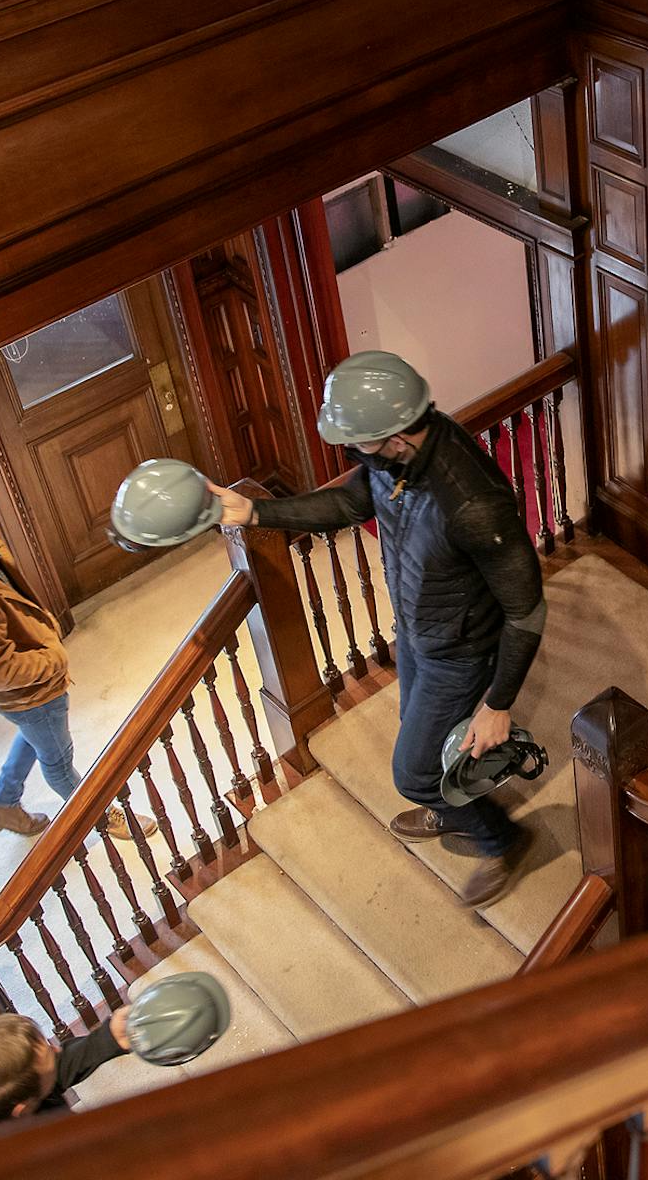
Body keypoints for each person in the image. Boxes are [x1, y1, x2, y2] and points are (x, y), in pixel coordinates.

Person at [211, 351, 544, 906]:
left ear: (394, 435)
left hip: (462, 650)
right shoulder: (398, 459)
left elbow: (527, 611)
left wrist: (497, 703)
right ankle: (448, 805)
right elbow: (350, 501)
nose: (351, 453)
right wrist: (254, 513)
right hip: (420, 632)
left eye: (357, 444)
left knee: (413, 774)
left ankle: (500, 836)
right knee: (426, 740)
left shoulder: (473, 504)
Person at [0, 465, 152, 840]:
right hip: (32, 693)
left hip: (29, 702)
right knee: (58, 762)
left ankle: (3, 805)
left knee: (33, 734)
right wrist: (53, 658)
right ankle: (103, 818)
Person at [0, 1008, 128, 1154]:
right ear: (25, 1110)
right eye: (51, 1053)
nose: (57, 1049)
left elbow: (57, 1066)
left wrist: (110, 1037)